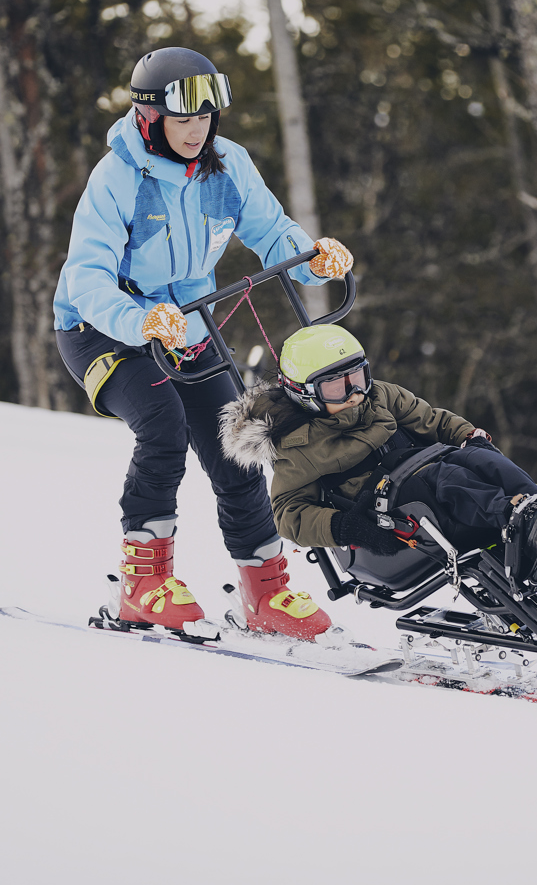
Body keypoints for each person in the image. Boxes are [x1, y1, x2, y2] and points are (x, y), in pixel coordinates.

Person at [54, 46, 351, 642]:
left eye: (206, 119)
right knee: (162, 428)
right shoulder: (117, 178)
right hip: (103, 330)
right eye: (183, 120)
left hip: (188, 325)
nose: (197, 131)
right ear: (149, 117)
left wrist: (314, 259)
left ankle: (264, 591)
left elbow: (270, 231)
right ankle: (143, 584)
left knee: (237, 443)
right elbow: (87, 275)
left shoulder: (228, 165)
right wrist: (139, 322)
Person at [219, 325, 537, 565]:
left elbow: (433, 420)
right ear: (304, 394)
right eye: (338, 386)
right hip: (385, 504)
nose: (355, 392)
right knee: (450, 477)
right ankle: (516, 519)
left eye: (359, 377)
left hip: (423, 465)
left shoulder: (381, 395)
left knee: (480, 459)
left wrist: (468, 436)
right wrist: (348, 527)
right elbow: (289, 514)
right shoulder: (294, 446)